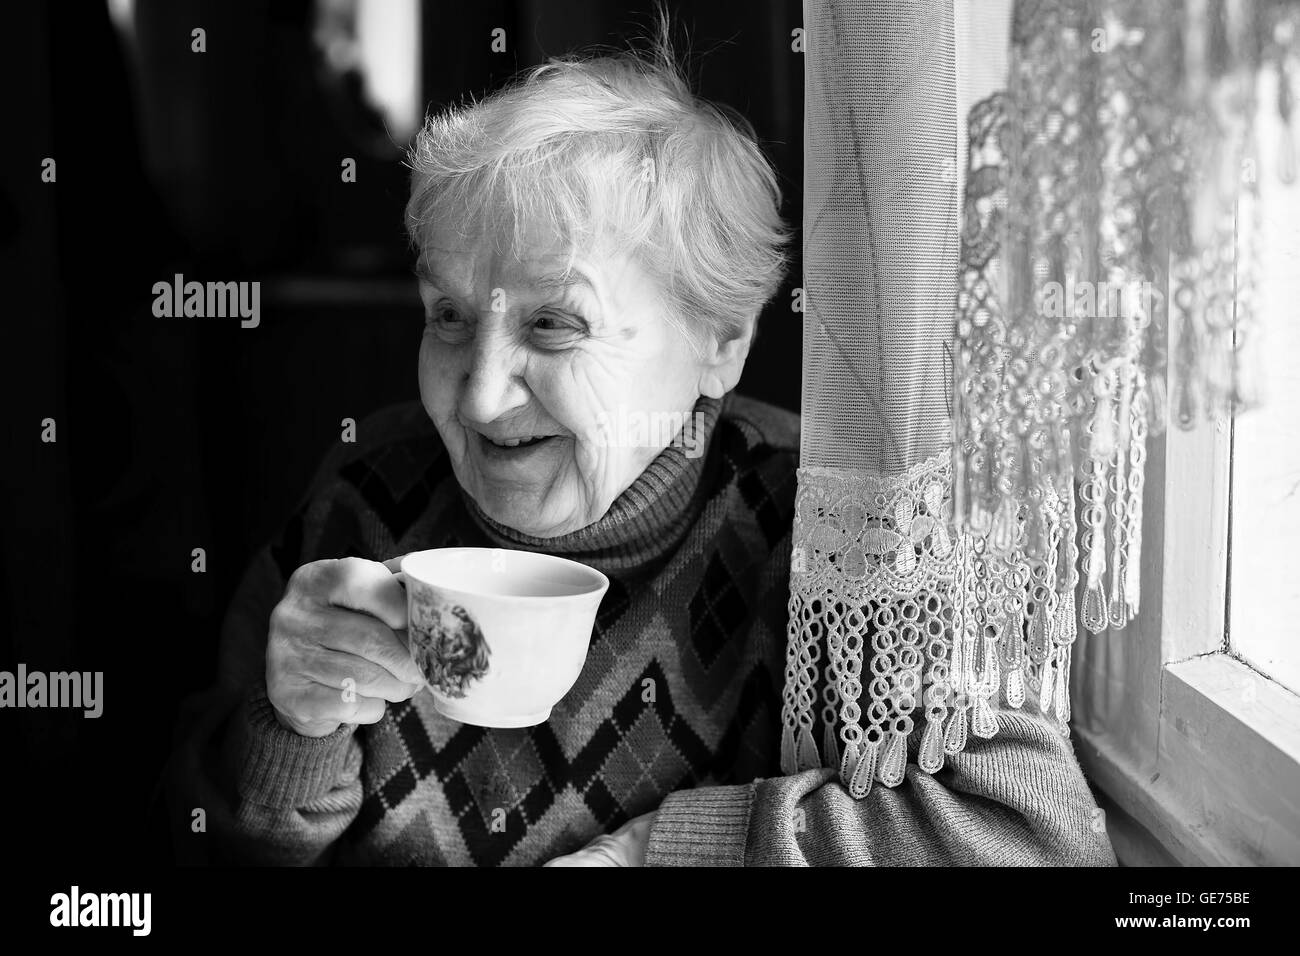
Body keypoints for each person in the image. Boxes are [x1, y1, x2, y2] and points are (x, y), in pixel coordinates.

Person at [166, 31, 1117, 867]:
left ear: (721, 343)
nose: (482, 393)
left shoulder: (830, 533)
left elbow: (1035, 840)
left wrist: (660, 851)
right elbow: (188, 849)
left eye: (554, 323)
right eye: (449, 315)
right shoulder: (361, 502)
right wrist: (289, 730)